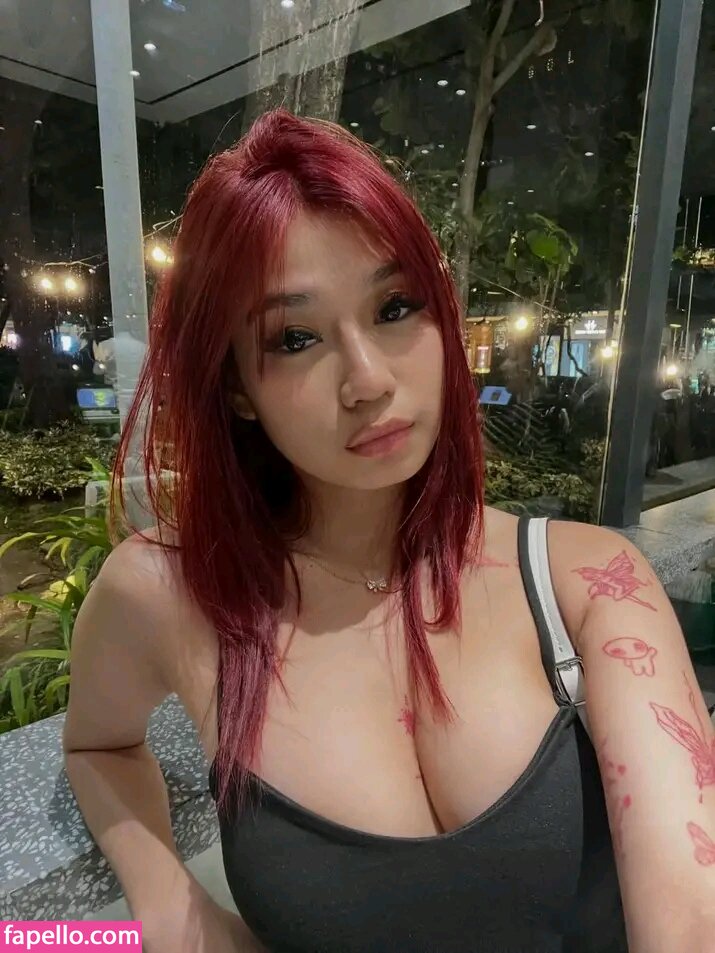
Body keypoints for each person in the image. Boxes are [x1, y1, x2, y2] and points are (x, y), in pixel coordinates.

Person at [62, 111, 715, 953]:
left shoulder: (585, 583)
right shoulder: (171, 594)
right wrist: (169, 907)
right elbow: (99, 745)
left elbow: (689, 913)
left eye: (395, 306)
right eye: (295, 338)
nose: (367, 379)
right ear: (234, 387)